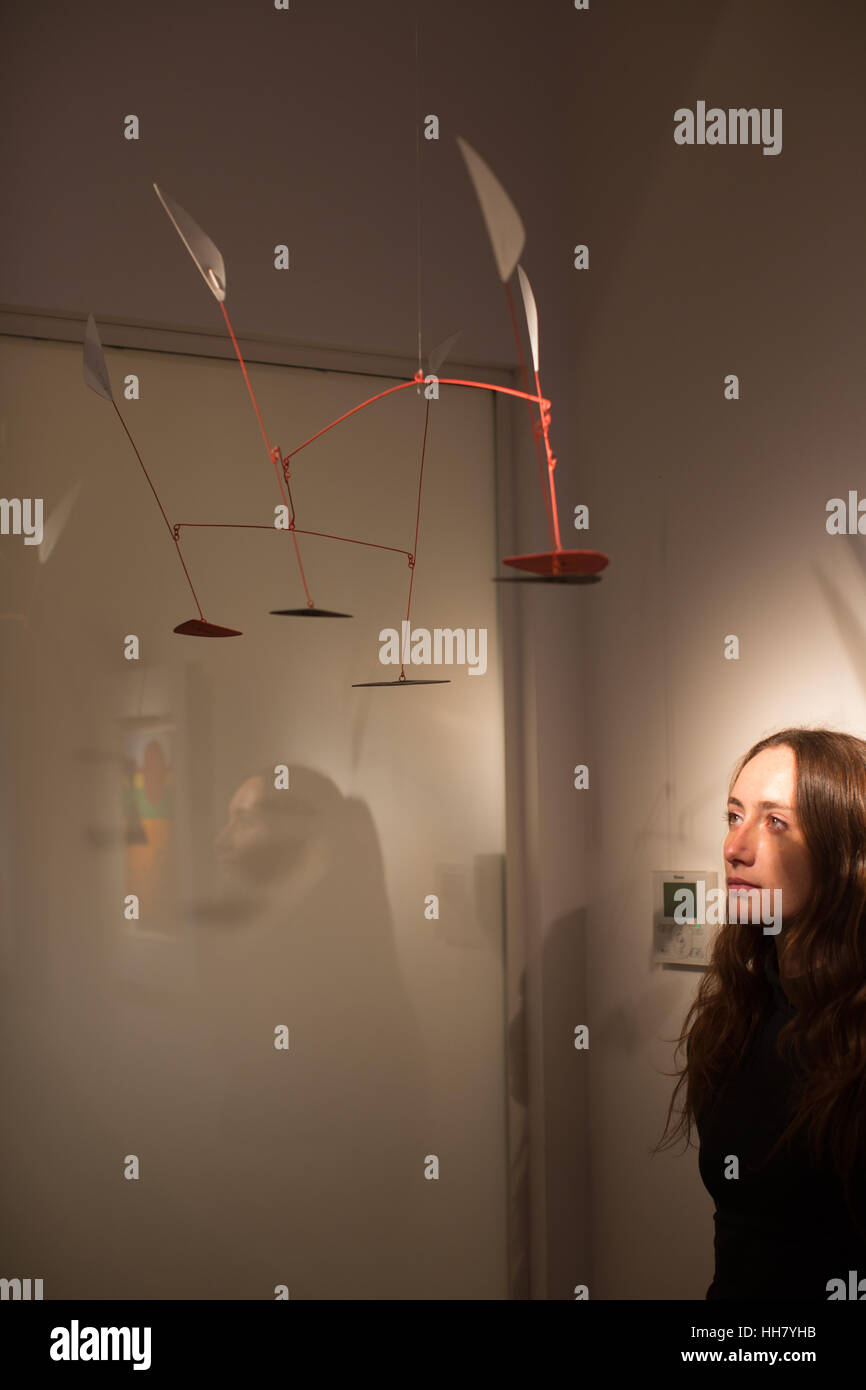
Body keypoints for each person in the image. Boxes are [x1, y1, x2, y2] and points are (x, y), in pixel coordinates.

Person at [655, 728, 866, 1300]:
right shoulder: (741, 1008)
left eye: (775, 822)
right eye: (733, 816)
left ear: (843, 851)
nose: (735, 847)